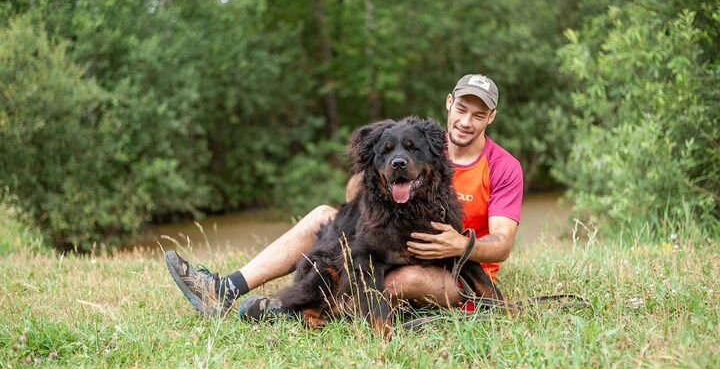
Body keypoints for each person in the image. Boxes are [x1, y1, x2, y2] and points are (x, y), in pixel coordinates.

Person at [165, 73, 523, 319]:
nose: (466, 121)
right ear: (449, 104)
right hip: (394, 239)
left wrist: (460, 246)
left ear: (490, 117)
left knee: (399, 281)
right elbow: (353, 196)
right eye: (462, 109)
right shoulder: (418, 141)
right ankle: (225, 288)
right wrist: (381, 161)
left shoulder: (504, 166)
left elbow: (503, 244)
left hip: (452, 269)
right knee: (327, 215)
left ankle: (293, 312)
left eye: (478, 114)